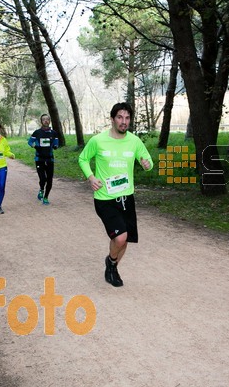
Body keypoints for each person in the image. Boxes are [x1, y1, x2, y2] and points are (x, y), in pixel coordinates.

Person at [78, 102, 153, 287]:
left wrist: (147, 164)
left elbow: (148, 160)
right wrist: (91, 177)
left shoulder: (134, 141)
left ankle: (112, 268)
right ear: (112, 119)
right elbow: (83, 158)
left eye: (127, 118)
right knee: (120, 237)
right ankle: (111, 262)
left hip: (127, 198)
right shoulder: (98, 140)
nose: (123, 121)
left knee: (124, 239)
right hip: (105, 198)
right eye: (120, 117)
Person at [28, 114, 60, 205]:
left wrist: (55, 146)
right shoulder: (37, 132)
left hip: (50, 159)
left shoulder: (54, 133)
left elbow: (56, 143)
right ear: (41, 121)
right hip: (39, 159)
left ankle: (46, 197)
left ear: (49, 121)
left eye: (47, 119)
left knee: (49, 179)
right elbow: (30, 142)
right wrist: (35, 146)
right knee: (43, 178)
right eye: (43, 119)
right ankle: (41, 189)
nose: (45, 121)